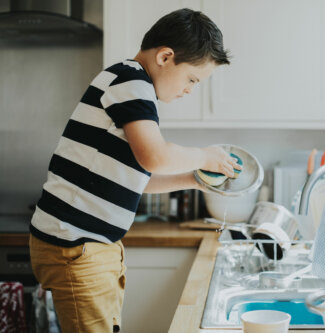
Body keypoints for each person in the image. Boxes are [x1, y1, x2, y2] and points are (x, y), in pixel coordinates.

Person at [29, 8, 239, 332]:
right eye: (192, 79)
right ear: (166, 57)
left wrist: (193, 179)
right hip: (76, 244)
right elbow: (155, 157)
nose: (189, 90)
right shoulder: (131, 80)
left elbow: (136, 178)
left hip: (87, 244)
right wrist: (204, 156)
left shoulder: (134, 87)